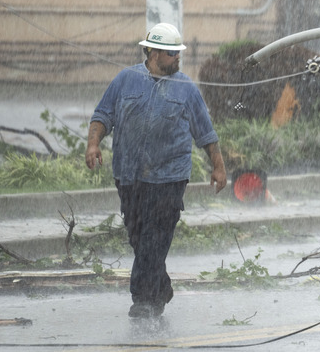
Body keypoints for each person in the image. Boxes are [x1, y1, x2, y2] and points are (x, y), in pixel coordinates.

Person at [85, 22, 227, 319]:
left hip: (170, 177)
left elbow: (205, 131)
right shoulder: (125, 80)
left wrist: (218, 166)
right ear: (152, 52)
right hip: (129, 174)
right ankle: (160, 286)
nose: (177, 58)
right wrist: (93, 144)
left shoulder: (186, 87)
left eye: (178, 53)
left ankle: (144, 300)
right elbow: (103, 114)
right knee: (138, 235)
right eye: (171, 53)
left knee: (155, 237)